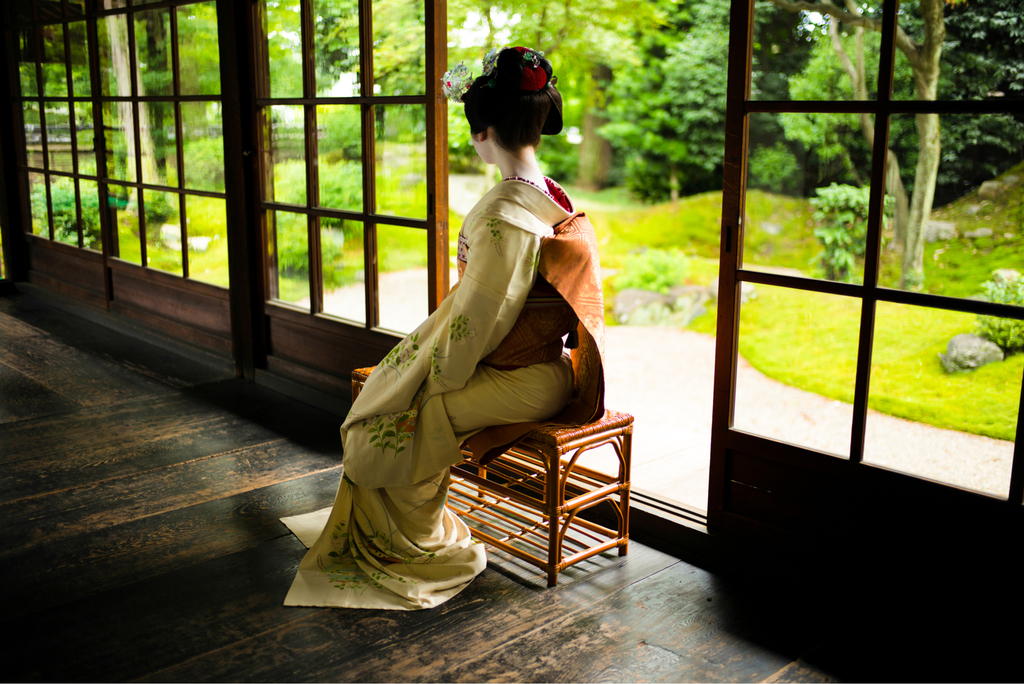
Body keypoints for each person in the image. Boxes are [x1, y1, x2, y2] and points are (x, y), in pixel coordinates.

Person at [281, 46, 605, 610]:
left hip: (520, 376)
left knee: (404, 412)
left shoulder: (504, 214)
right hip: (541, 364)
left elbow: (481, 317)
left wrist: (436, 373)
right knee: (397, 392)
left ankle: (411, 542)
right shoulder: (548, 194)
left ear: (483, 132)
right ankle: (402, 527)